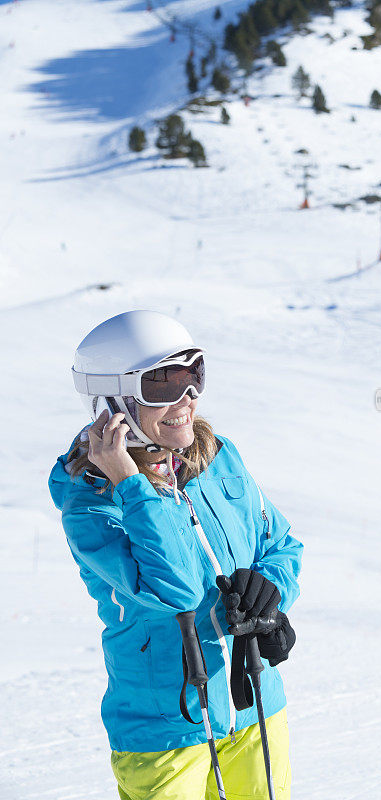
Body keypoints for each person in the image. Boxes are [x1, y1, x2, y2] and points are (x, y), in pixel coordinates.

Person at [48, 309, 303, 800]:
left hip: (254, 706)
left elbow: (282, 544)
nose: (186, 399)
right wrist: (132, 484)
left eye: (192, 376)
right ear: (112, 399)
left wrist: (270, 593)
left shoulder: (217, 456)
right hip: (164, 729)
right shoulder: (91, 501)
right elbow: (175, 589)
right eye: (162, 385)